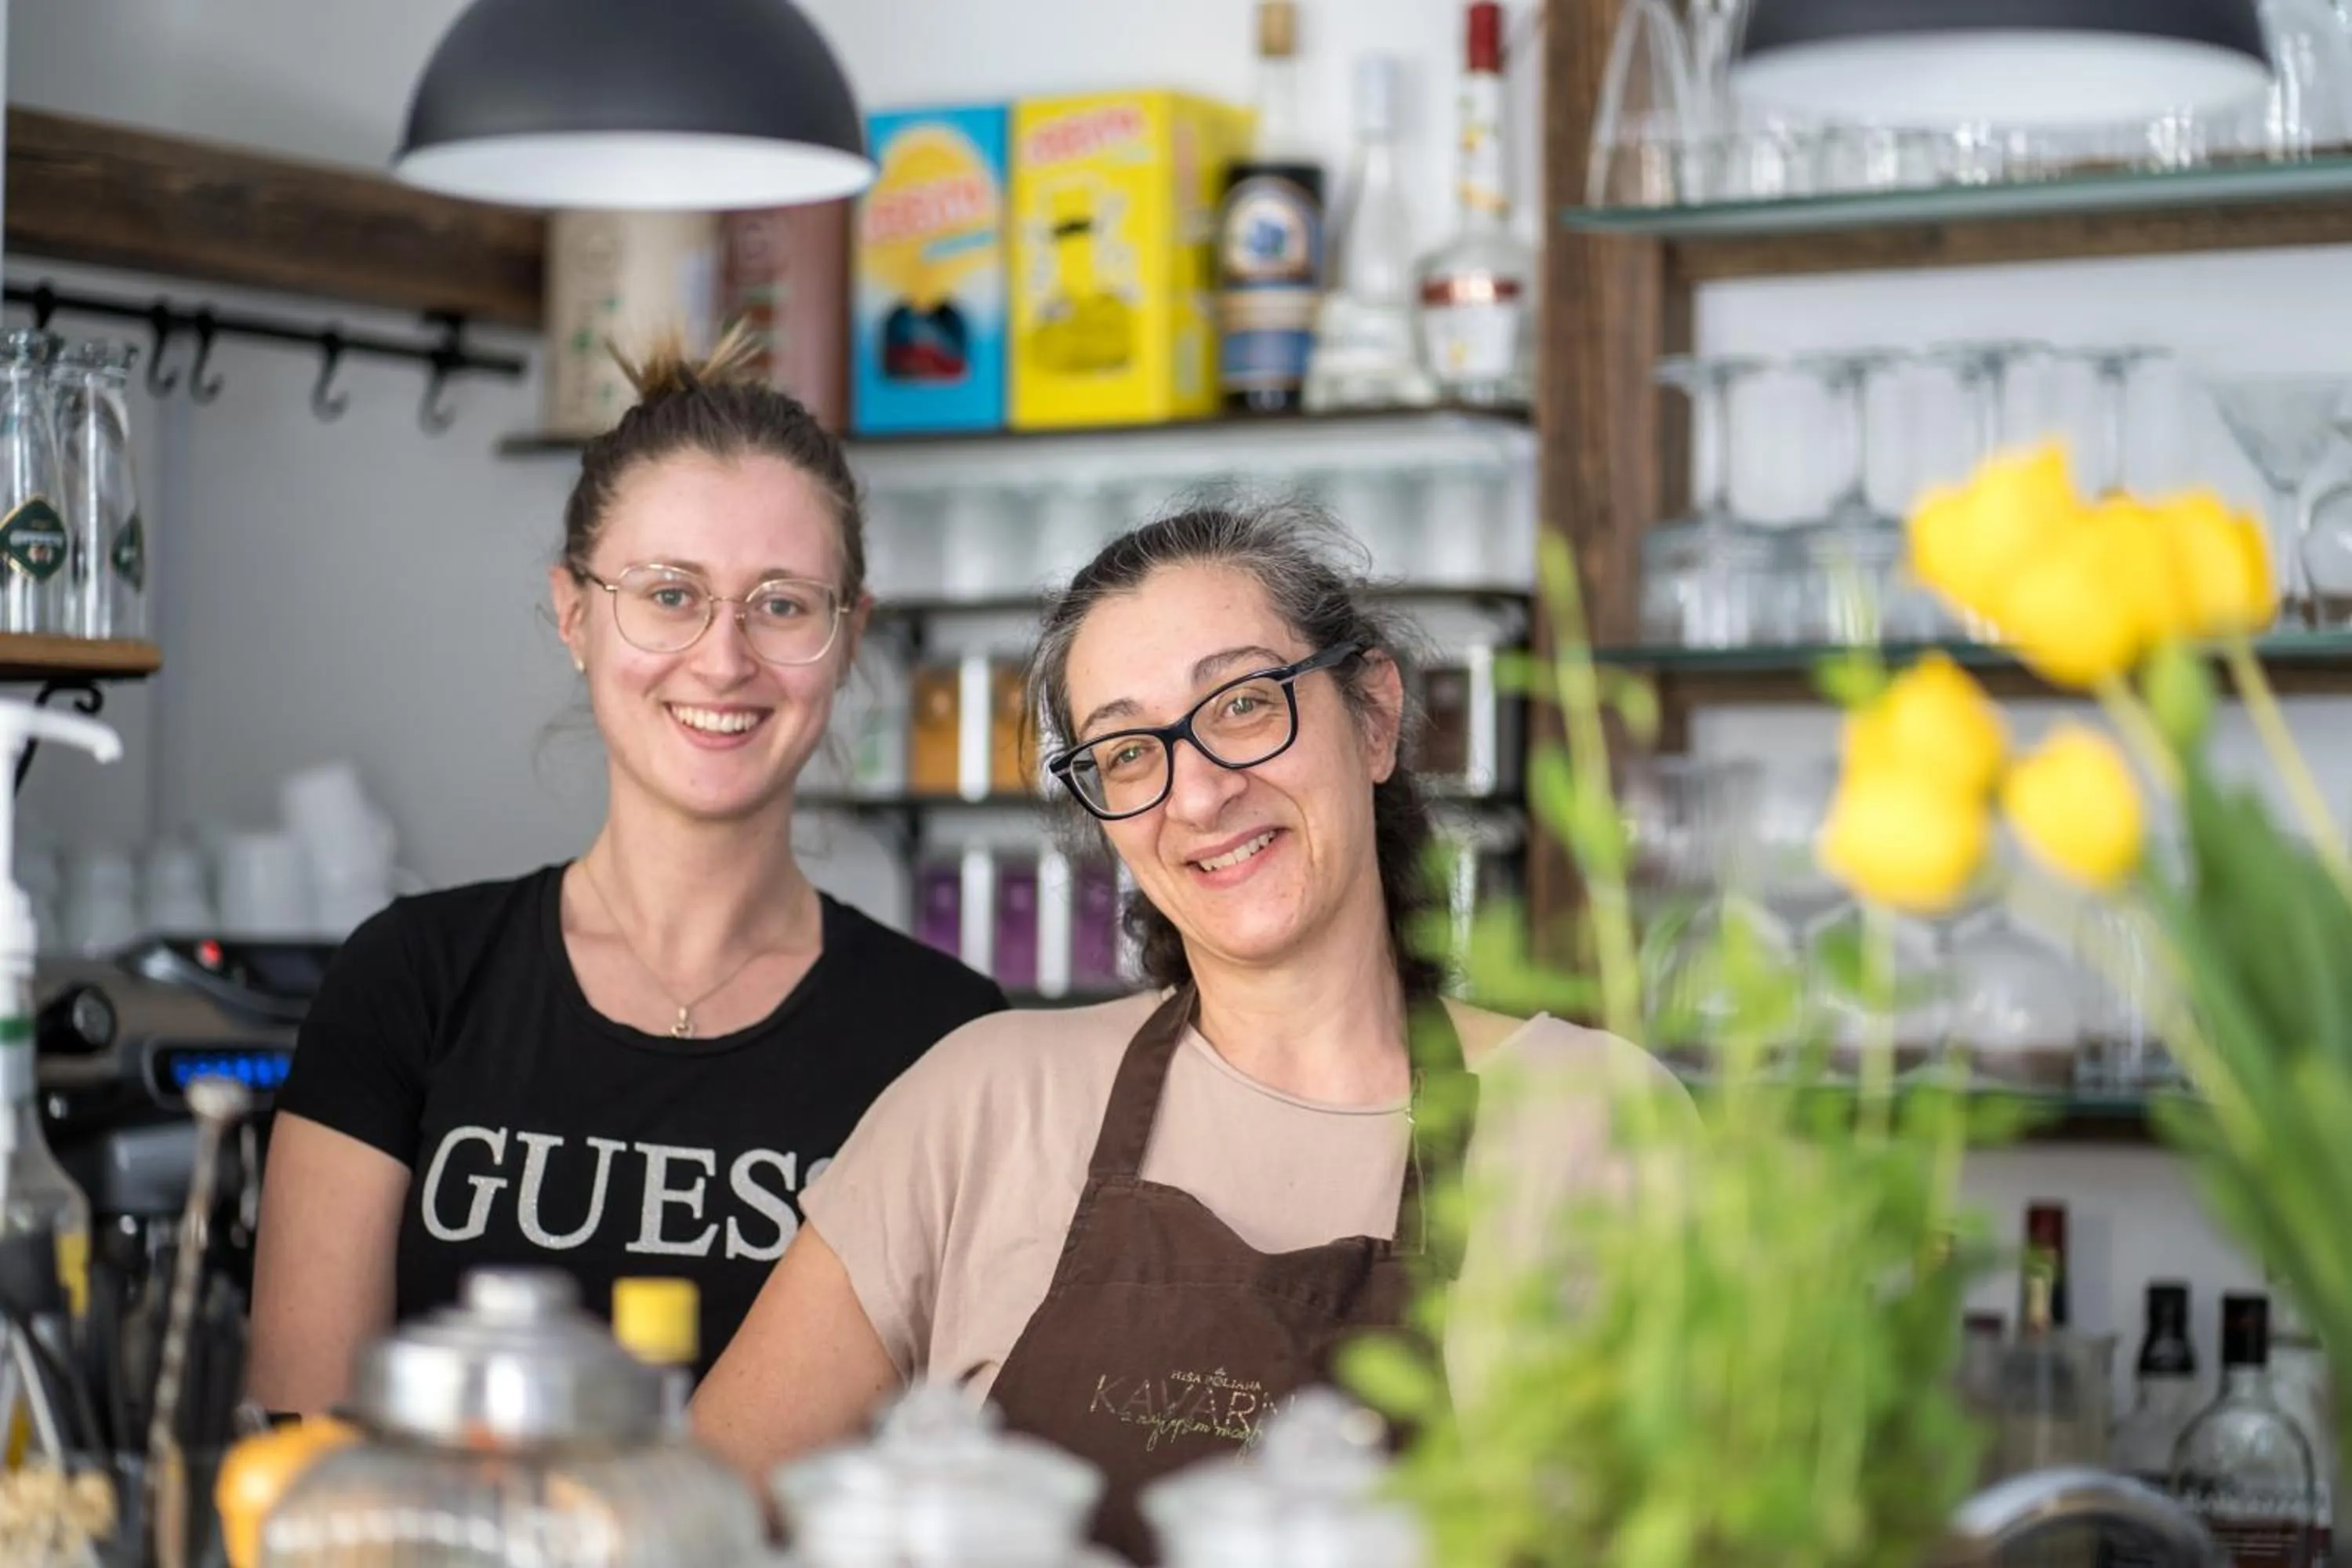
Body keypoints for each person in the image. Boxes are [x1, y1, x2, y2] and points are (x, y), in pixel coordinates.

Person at [691, 502, 1684, 1561]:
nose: (1200, 795)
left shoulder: (1596, 1119)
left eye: (1244, 704)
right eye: (1128, 753)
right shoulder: (983, 1102)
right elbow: (686, 1524)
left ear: (1374, 714)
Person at [248, 332, 1007, 1413]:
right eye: (669, 594)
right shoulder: (410, 980)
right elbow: (301, 1449)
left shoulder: (945, 1039)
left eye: (783, 603)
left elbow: (958, 1461)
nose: (724, 660)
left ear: (849, 638)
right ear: (575, 613)